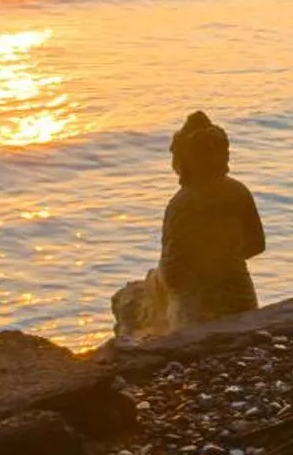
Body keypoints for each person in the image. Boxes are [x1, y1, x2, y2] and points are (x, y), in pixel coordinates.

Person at [112, 112, 265, 338]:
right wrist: (225, 262)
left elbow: (174, 272)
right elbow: (257, 244)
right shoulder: (238, 191)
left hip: (198, 306)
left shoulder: (182, 204)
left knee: (136, 298)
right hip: (240, 293)